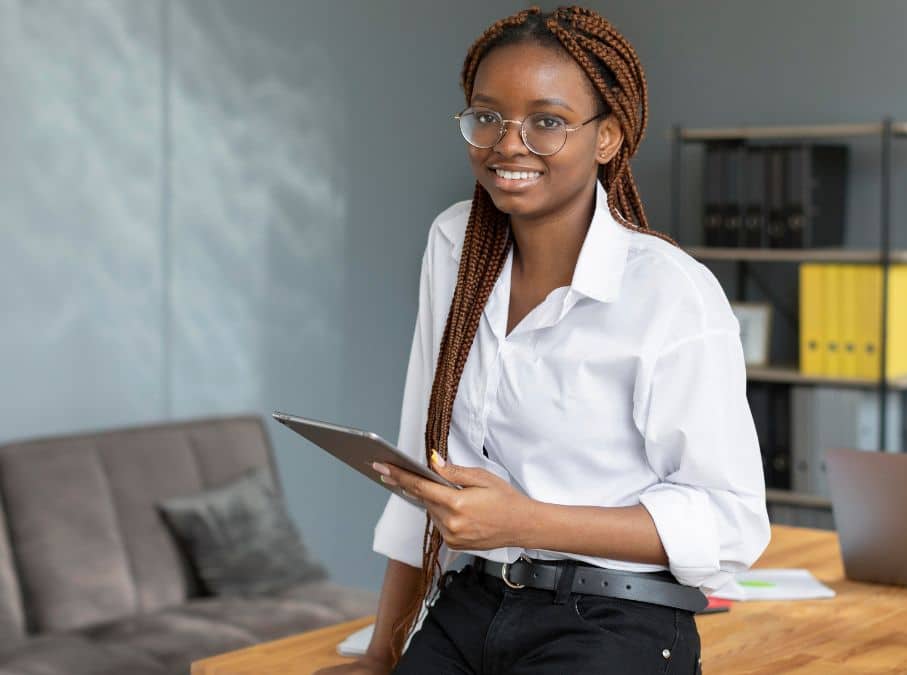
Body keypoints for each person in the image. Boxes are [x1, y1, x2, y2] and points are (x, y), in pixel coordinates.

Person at [317, 6, 769, 674]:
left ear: (609, 136)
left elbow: (730, 524)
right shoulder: (453, 247)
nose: (508, 143)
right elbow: (426, 458)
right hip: (471, 604)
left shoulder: (671, 293)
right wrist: (382, 654)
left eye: (547, 121)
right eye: (488, 116)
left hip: (615, 622)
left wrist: (523, 521)